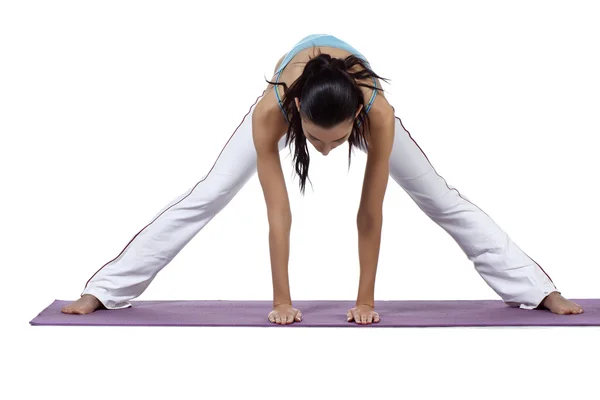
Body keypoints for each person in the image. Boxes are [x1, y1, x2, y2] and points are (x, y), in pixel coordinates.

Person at [61, 33, 583, 324]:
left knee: (439, 197)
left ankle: (538, 290)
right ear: (295, 117)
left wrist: (365, 301)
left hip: (361, 107)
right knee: (211, 192)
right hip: (289, 101)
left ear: (355, 121)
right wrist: (281, 302)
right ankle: (104, 290)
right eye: (314, 139)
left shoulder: (377, 114)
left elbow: (370, 214)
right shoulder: (273, 112)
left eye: (335, 141)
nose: (326, 150)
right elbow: (278, 213)